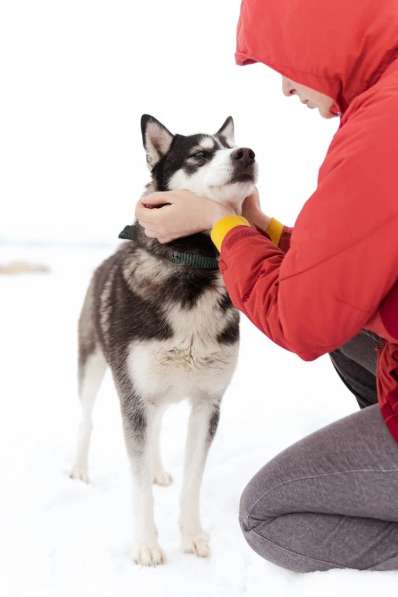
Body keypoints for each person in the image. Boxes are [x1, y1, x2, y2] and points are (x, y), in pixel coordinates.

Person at [135, 0, 398, 572]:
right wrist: (262, 229)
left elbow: (302, 319)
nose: (282, 89)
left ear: (321, 37)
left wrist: (219, 224)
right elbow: (355, 265)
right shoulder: (385, 106)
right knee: (347, 327)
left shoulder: (384, 128)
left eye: (282, 63)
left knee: (268, 517)